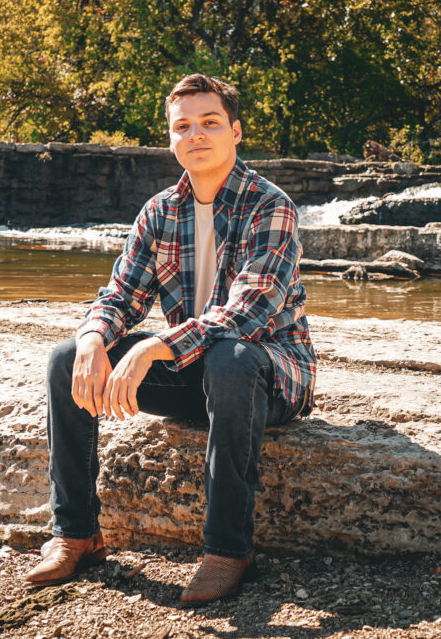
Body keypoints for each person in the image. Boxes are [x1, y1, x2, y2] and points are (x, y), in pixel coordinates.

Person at [26, 73, 317, 606]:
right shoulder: (159, 211)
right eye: (182, 126)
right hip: (196, 374)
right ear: (170, 139)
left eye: (209, 122)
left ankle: (229, 550)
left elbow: (247, 311)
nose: (196, 134)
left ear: (236, 131)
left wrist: (153, 346)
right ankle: (77, 534)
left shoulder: (271, 206)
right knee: (66, 356)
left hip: (268, 375)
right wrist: (94, 336)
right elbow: (121, 295)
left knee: (231, 359)